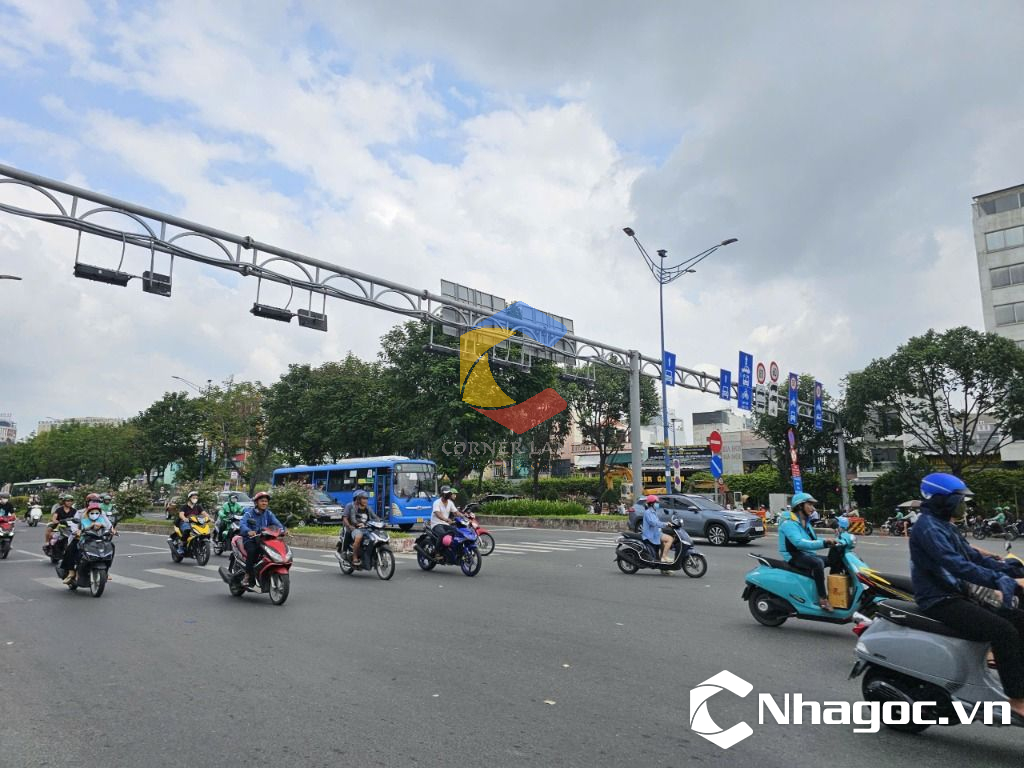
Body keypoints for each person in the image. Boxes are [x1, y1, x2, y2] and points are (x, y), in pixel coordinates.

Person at [909, 472, 1024, 718]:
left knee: (1019, 619)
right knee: (1003, 631)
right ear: (942, 500)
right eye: (958, 501)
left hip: (956, 592)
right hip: (940, 599)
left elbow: (973, 557)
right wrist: (1003, 580)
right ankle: (1016, 700)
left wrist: (1011, 569)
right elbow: (957, 565)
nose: (962, 506)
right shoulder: (927, 528)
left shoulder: (944, 525)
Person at [777, 492, 836, 611]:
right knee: (817, 563)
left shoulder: (805, 522)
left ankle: (837, 593)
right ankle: (823, 599)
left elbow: (812, 540)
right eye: (810, 504)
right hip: (793, 554)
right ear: (800, 506)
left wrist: (833, 540)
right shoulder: (789, 522)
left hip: (805, 553)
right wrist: (824, 543)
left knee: (836, 560)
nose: (813, 508)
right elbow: (799, 543)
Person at [239, 491, 285, 587]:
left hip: (265, 539)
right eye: (262, 501)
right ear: (256, 502)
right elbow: (242, 524)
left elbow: (277, 523)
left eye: (266, 501)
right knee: (252, 552)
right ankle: (247, 575)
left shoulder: (268, 514)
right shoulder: (249, 513)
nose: (264, 503)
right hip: (251, 539)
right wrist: (248, 531)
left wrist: (283, 530)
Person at [61, 501, 113, 584]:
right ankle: (71, 572)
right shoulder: (82, 517)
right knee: (71, 548)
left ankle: (106, 570)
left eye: (97, 512)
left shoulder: (101, 517)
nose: (94, 514)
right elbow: (75, 526)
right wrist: (77, 531)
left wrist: (112, 530)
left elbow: (109, 525)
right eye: (92, 512)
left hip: (99, 539)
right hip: (83, 539)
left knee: (110, 546)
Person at [342, 489, 380, 567]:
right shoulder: (350, 506)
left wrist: (380, 522)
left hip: (366, 528)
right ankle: (355, 557)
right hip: (355, 529)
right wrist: (350, 526)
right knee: (359, 537)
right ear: (358, 499)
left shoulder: (368, 508)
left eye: (366, 499)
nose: (365, 500)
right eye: (363, 498)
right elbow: (345, 518)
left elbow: (375, 517)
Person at [640, 494, 673, 571]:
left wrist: (666, 524)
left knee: (663, 546)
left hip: (655, 533)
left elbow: (657, 523)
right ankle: (664, 557)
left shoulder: (653, 512)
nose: (657, 504)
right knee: (669, 539)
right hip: (651, 535)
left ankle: (663, 567)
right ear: (652, 504)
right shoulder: (648, 512)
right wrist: (665, 524)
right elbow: (653, 523)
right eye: (656, 502)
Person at [430, 486, 460, 556]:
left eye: (449, 493)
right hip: (436, 524)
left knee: (457, 532)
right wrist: (446, 519)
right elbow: (438, 514)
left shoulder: (450, 503)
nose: (448, 495)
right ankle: (437, 552)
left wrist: (465, 516)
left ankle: (452, 550)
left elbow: (456, 512)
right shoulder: (437, 502)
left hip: (446, 524)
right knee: (443, 534)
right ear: (442, 494)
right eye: (447, 493)